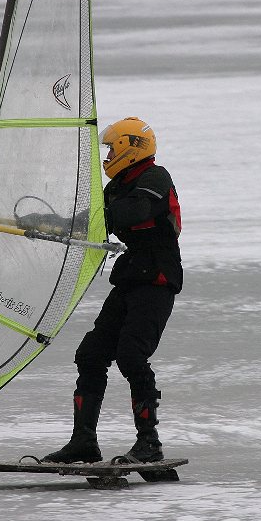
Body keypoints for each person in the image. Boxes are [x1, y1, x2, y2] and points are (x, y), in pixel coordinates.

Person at [42, 117, 182, 464]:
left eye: (110, 148)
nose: (107, 155)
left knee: (132, 356)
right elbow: (96, 221)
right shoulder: (118, 186)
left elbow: (132, 212)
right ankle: (84, 442)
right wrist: (47, 222)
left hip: (157, 282)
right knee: (90, 355)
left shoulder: (154, 177)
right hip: (132, 278)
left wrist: (96, 215)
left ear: (130, 148)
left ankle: (149, 443)